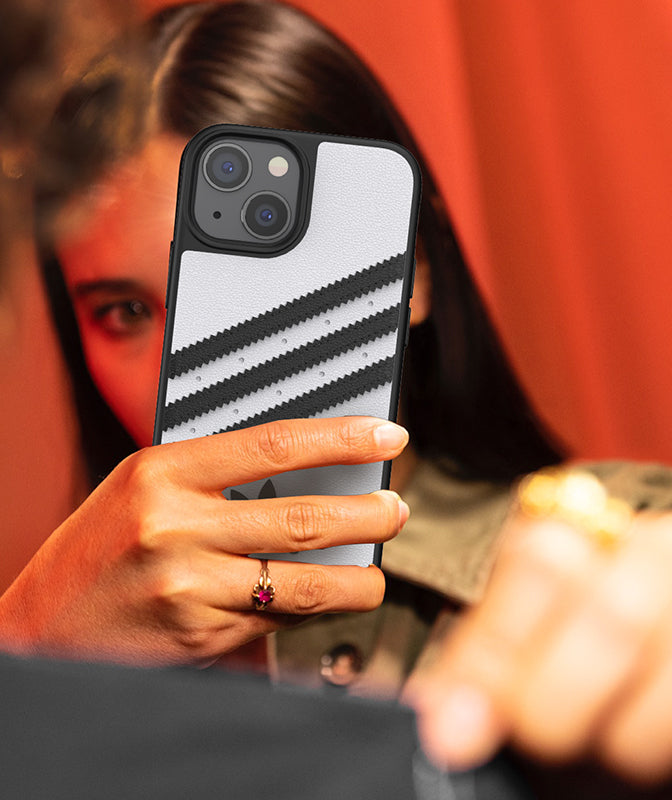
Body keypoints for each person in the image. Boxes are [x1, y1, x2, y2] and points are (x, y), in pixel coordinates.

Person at [34, 1, 672, 789]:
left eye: (251, 290)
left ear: (414, 273)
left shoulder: (611, 553)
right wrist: (26, 661)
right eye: (126, 313)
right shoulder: (55, 661)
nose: (189, 369)